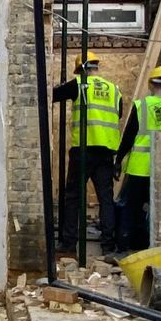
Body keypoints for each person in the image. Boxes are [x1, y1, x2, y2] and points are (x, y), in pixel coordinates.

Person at [112, 66, 161, 254]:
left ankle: (124, 247)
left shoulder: (141, 106)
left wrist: (118, 160)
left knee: (130, 207)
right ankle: (153, 246)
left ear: (150, 84)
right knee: (158, 209)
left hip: (139, 167)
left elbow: (128, 137)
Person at [52, 52, 120, 250]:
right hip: (106, 151)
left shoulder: (80, 84)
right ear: (96, 67)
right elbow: (119, 113)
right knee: (106, 199)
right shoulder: (114, 89)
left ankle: (69, 243)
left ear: (81, 69)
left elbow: (53, 95)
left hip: (84, 148)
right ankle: (108, 244)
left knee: (73, 197)